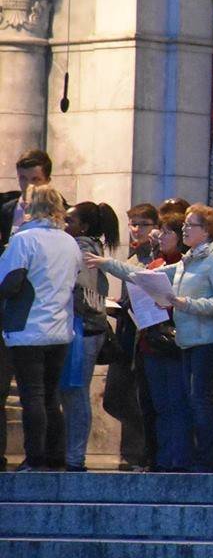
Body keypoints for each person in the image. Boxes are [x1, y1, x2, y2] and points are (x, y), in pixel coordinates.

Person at [89, 204, 213, 473]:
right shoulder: (190, 260)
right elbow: (144, 275)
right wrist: (105, 263)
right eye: (185, 225)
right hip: (189, 339)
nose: (185, 230)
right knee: (191, 401)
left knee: (201, 401)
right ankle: (192, 460)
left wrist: (185, 303)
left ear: (206, 231)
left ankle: (207, 461)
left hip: (210, 340)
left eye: (190, 225)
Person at [0, 184, 82, 471]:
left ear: (31, 207)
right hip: (60, 328)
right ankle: (55, 456)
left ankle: (35, 458)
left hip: (28, 328)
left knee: (31, 395)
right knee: (50, 396)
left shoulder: (25, 240)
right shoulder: (69, 242)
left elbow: (10, 282)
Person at [0, 150, 55, 469]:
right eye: (22, 179)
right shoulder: (8, 209)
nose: (27, 186)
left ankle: (45, 457)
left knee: (39, 393)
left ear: (46, 178)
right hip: (7, 306)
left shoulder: (58, 212)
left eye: (34, 179)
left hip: (38, 313)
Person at [61, 201, 121, 472]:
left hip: (84, 328)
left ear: (83, 226)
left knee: (76, 392)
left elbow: (84, 292)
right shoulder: (84, 247)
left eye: (70, 221)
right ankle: (70, 454)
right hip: (83, 327)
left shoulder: (83, 249)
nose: (65, 225)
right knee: (73, 392)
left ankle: (74, 457)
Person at [103, 202, 158, 471]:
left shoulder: (154, 257)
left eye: (143, 224)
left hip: (145, 334)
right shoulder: (133, 257)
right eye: (133, 224)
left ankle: (140, 452)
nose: (136, 229)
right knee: (113, 397)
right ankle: (137, 449)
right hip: (126, 332)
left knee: (136, 396)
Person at [138, 213, 192, 472]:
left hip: (175, 341)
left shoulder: (185, 265)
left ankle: (178, 460)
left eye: (167, 232)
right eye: (160, 231)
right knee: (159, 406)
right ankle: (161, 460)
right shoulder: (154, 264)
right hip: (151, 341)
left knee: (178, 404)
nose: (160, 236)